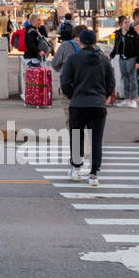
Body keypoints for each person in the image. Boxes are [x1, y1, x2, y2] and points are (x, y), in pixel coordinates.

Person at [59, 28, 116, 186]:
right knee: (96, 140)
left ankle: (76, 169)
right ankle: (94, 175)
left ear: (81, 42)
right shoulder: (104, 60)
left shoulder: (73, 59)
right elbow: (111, 82)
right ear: (96, 43)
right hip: (98, 105)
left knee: (77, 136)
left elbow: (64, 82)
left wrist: (72, 95)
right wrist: (104, 96)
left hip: (78, 104)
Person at [110, 15, 139, 107]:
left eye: (128, 22)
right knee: (125, 78)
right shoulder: (118, 34)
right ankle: (127, 99)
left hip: (131, 58)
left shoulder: (133, 34)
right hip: (122, 58)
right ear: (121, 24)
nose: (128, 24)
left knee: (132, 79)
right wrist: (111, 56)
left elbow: (138, 49)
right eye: (126, 22)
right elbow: (116, 47)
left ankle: (133, 99)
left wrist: (138, 61)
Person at [50, 23, 81, 112]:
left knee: (71, 117)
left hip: (69, 87)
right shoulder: (95, 49)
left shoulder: (65, 45)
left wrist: (63, 69)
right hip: (88, 89)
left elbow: (55, 63)